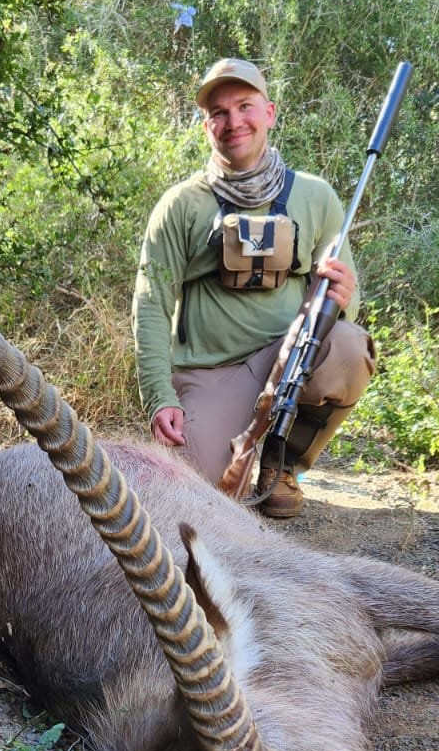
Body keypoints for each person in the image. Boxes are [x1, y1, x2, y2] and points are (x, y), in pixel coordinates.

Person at [132, 58, 376, 518]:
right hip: (210, 371)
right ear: (206, 125)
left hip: (291, 356)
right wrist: (159, 396)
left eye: (245, 106)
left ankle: (283, 464)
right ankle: (232, 455)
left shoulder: (315, 195)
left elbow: (349, 299)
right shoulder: (180, 205)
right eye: (218, 113)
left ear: (270, 112)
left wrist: (342, 295)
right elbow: (150, 305)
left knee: (349, 349)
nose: (233, 122)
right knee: (198, 502)